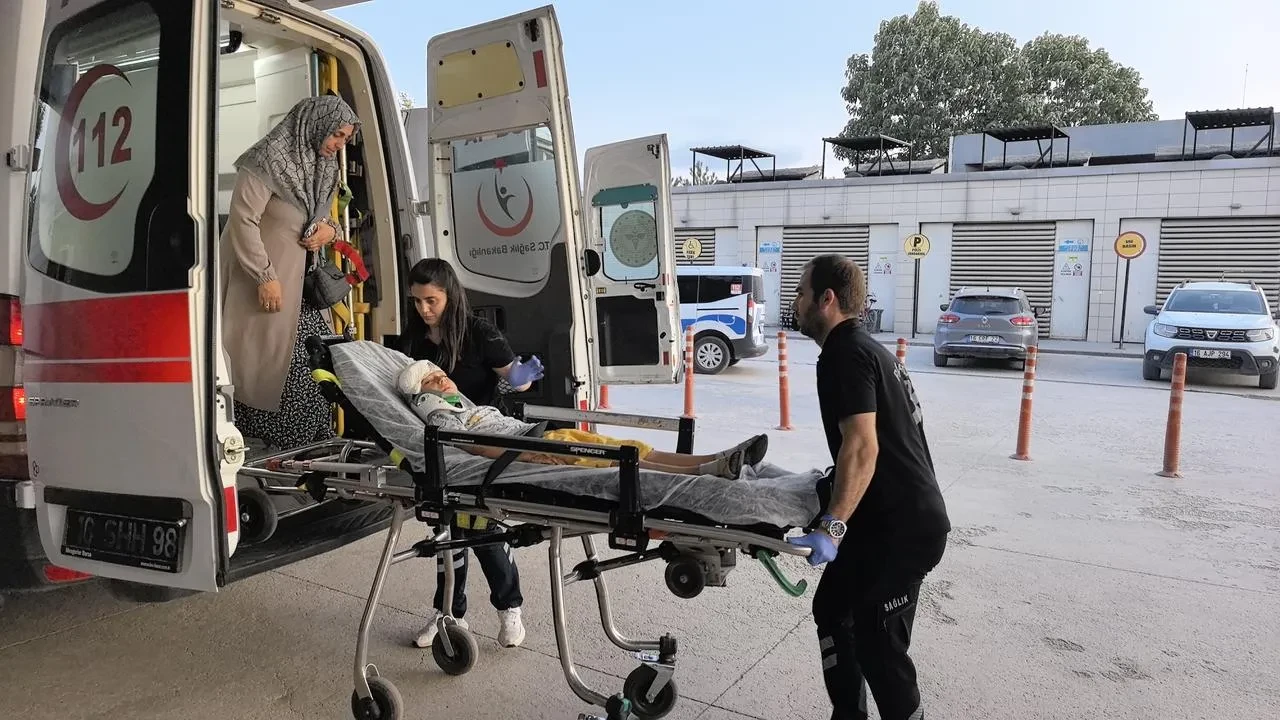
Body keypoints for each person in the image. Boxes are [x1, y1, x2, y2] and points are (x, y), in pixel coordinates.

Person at [786, 254, 951, 720]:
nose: (794, 303)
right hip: (881, 521)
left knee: (879, 646)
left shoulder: (845, 354)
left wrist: (833, 526)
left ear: (826, 299)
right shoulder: (867, 350)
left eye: (800, 293)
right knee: (833, 608)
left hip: (902, 529)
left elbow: (862, 446)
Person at [400, 257, 546, 650]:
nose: (423, 309)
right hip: (441, 445)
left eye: (431, 300)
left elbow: (515, 380)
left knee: (484, 531)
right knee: (447, 533)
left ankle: (509, 608)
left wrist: (520, 377)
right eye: (416, 301)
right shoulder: (414, 338)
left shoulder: (480, 333)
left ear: (450, 295)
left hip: (483, 436)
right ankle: (449, 615)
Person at [219, 95, 360, 451]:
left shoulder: (324, 168)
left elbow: (323, 219)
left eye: (345, 138)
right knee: (276, 373)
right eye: (337, 135)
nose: (339, 145)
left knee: (318, 366)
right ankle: (279, 458)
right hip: (264, 287)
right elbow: (242, 220)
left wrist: (330, 231)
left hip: (304, 291)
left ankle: (311, 456)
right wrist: (264, 276)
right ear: (316, 125)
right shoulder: (266, 161)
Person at [397, 360, 769, 476]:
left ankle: (717, 459)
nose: (442, 379)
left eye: (440, 374)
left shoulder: (463, 406)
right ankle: (705, 472)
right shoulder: (441, 419)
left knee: (630, 447)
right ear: (423, 396)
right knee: (622, 462)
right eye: (432, 380)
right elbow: (474, 446)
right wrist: (524, 453)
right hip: (532, 448)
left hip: (539, 438)